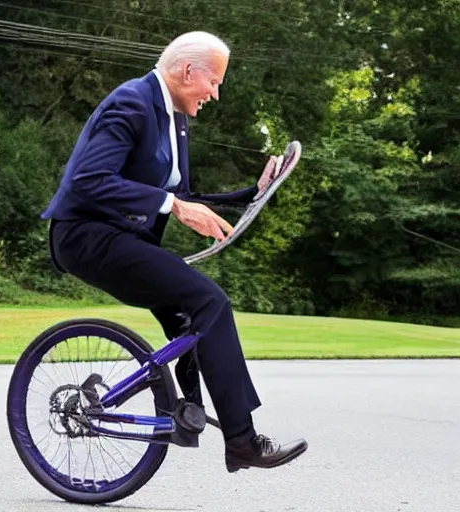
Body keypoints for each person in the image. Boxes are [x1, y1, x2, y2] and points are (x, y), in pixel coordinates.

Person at [41, 31, 307, 473]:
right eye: (215, 82)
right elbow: (89, 179)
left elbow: (181, 193)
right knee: (211, 300)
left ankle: (186, 414)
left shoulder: (174, 117)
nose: (216, 94)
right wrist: (175, 207)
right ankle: (241, 442)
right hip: (86, 236)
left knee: (192, 318)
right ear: (187, 71)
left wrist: (252, 193)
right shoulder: (131, 103)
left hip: (122, 239)